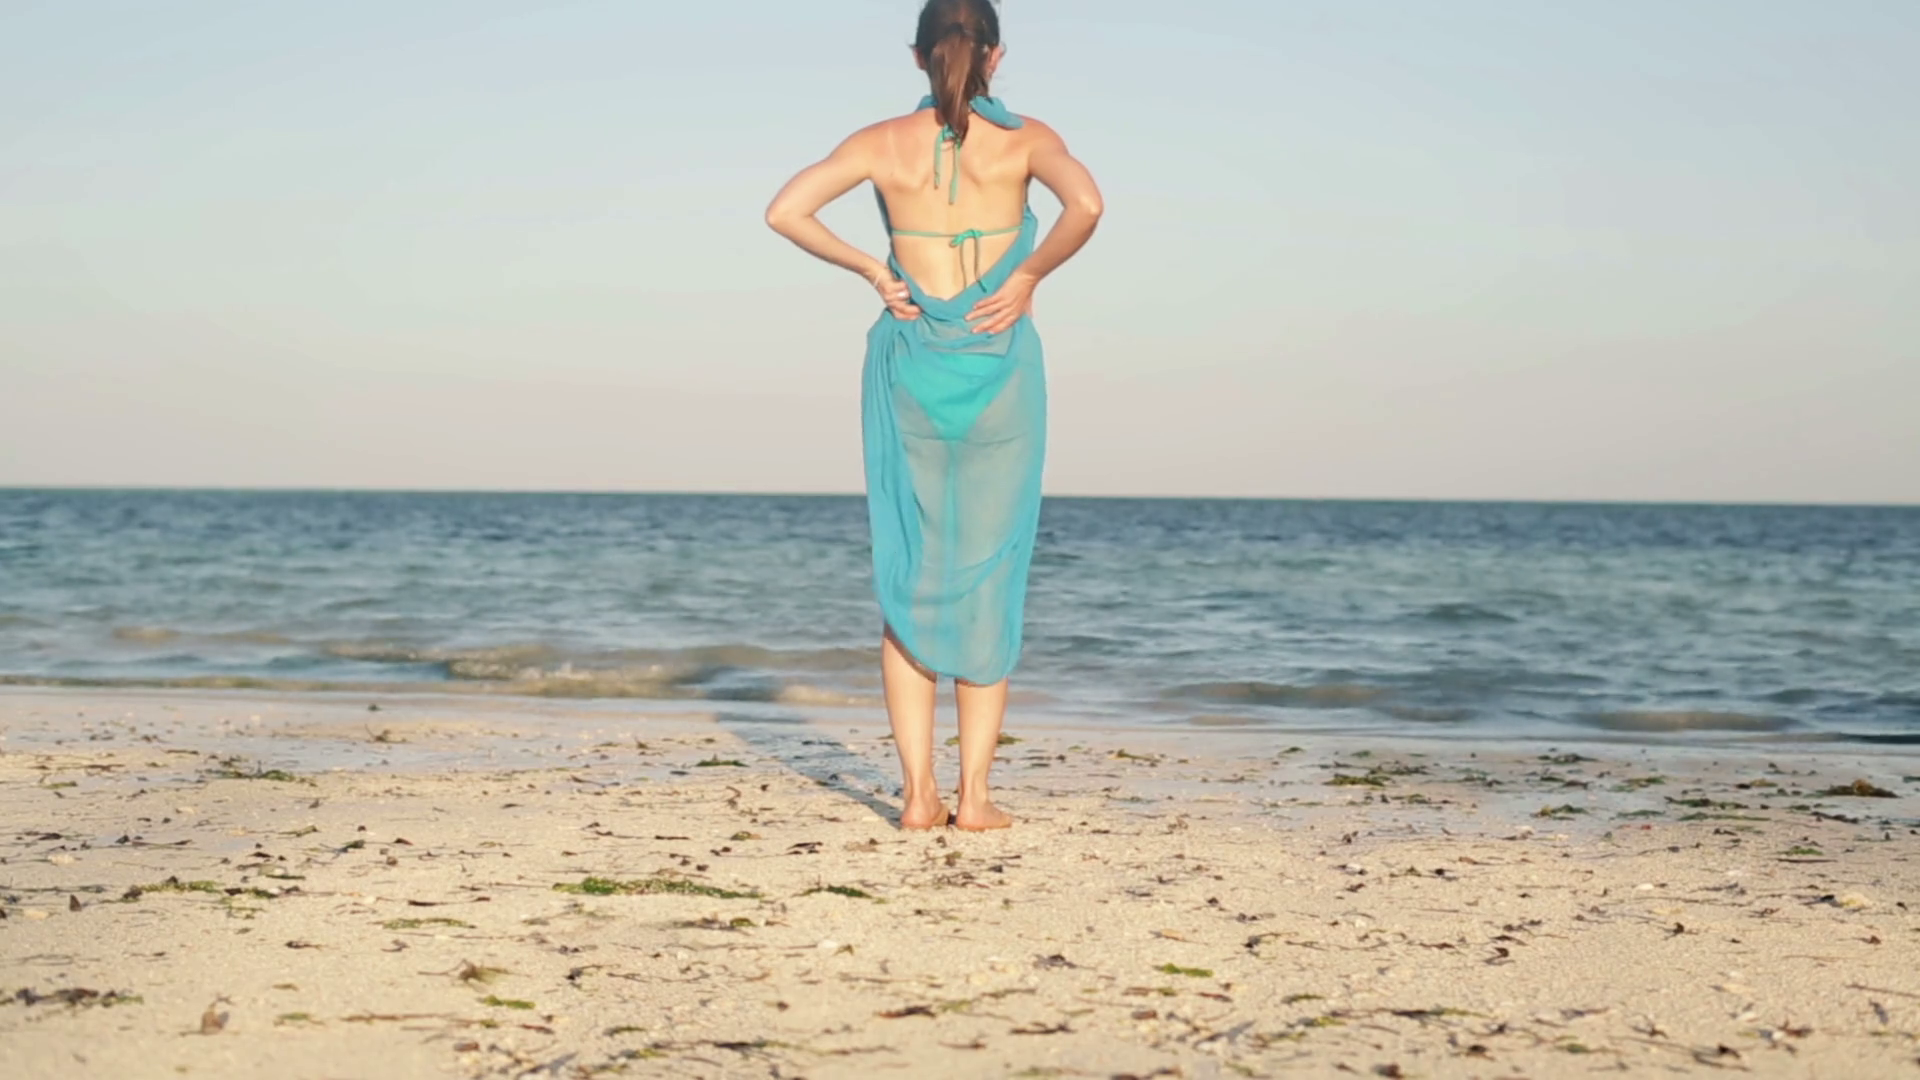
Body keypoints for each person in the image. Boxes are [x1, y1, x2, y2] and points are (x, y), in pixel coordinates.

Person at [766, 0, 1103, 832]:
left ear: (917, 58)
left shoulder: (881, 142)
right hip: (998, 372)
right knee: (989, 573)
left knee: (912, 572)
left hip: (911, 363)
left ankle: (916, 797)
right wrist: (1026, 279)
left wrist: (872, 273)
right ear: (996, 56)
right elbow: (1087, 207)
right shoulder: (1028, 140)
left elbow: (785, 210)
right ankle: (975, 799)